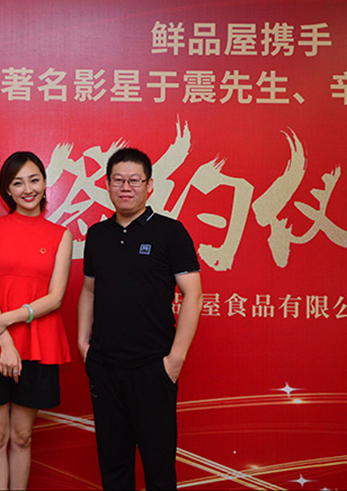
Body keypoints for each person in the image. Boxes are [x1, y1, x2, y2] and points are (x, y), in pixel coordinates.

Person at [77, 147, 203, 491]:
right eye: (118, 180)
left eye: (134, 180)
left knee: (159, 470)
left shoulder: (170, 232)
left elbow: (193, 294)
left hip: (153, 369)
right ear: (107, 184)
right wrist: (83, 344)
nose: (126, 187)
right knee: (113, 467)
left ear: (150, 185)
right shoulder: (97, 235)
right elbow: (89, 290)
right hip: (105, 367)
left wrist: (174, 360)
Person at [0, 151, 73, 490]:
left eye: (34, 180)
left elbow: (55, 297)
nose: (27, 189)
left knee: (22, 436)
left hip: (37, 344)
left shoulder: (60, 235)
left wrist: (8, 318)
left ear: (45, 183)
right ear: (7, 190)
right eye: (18, 183)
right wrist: (5, 342)